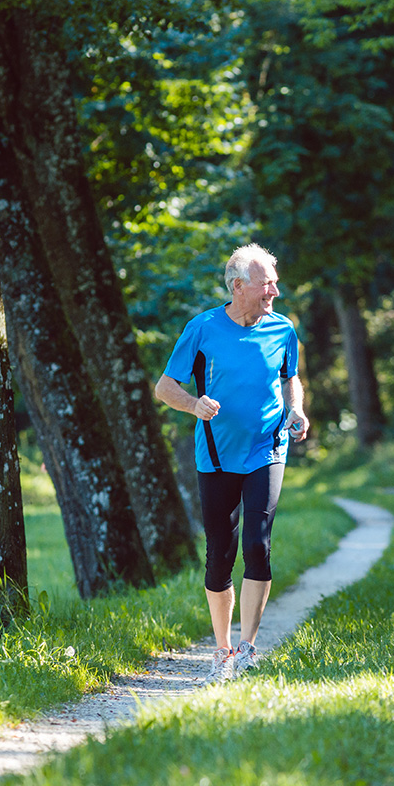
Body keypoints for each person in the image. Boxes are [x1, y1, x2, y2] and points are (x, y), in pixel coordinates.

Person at [155, 244, 309, 684]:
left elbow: (289, 377)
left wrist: (295, 409)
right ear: (239, 286)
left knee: (258, 545)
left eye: (274, 283)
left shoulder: (283, 330)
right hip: (217, 455)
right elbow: (165, 387)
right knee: (220, 553)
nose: (274, 291)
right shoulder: (202, 329)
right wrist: (194, 404)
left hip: (268, 448)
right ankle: (221, 649)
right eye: (266, 284)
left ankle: (247, 647)